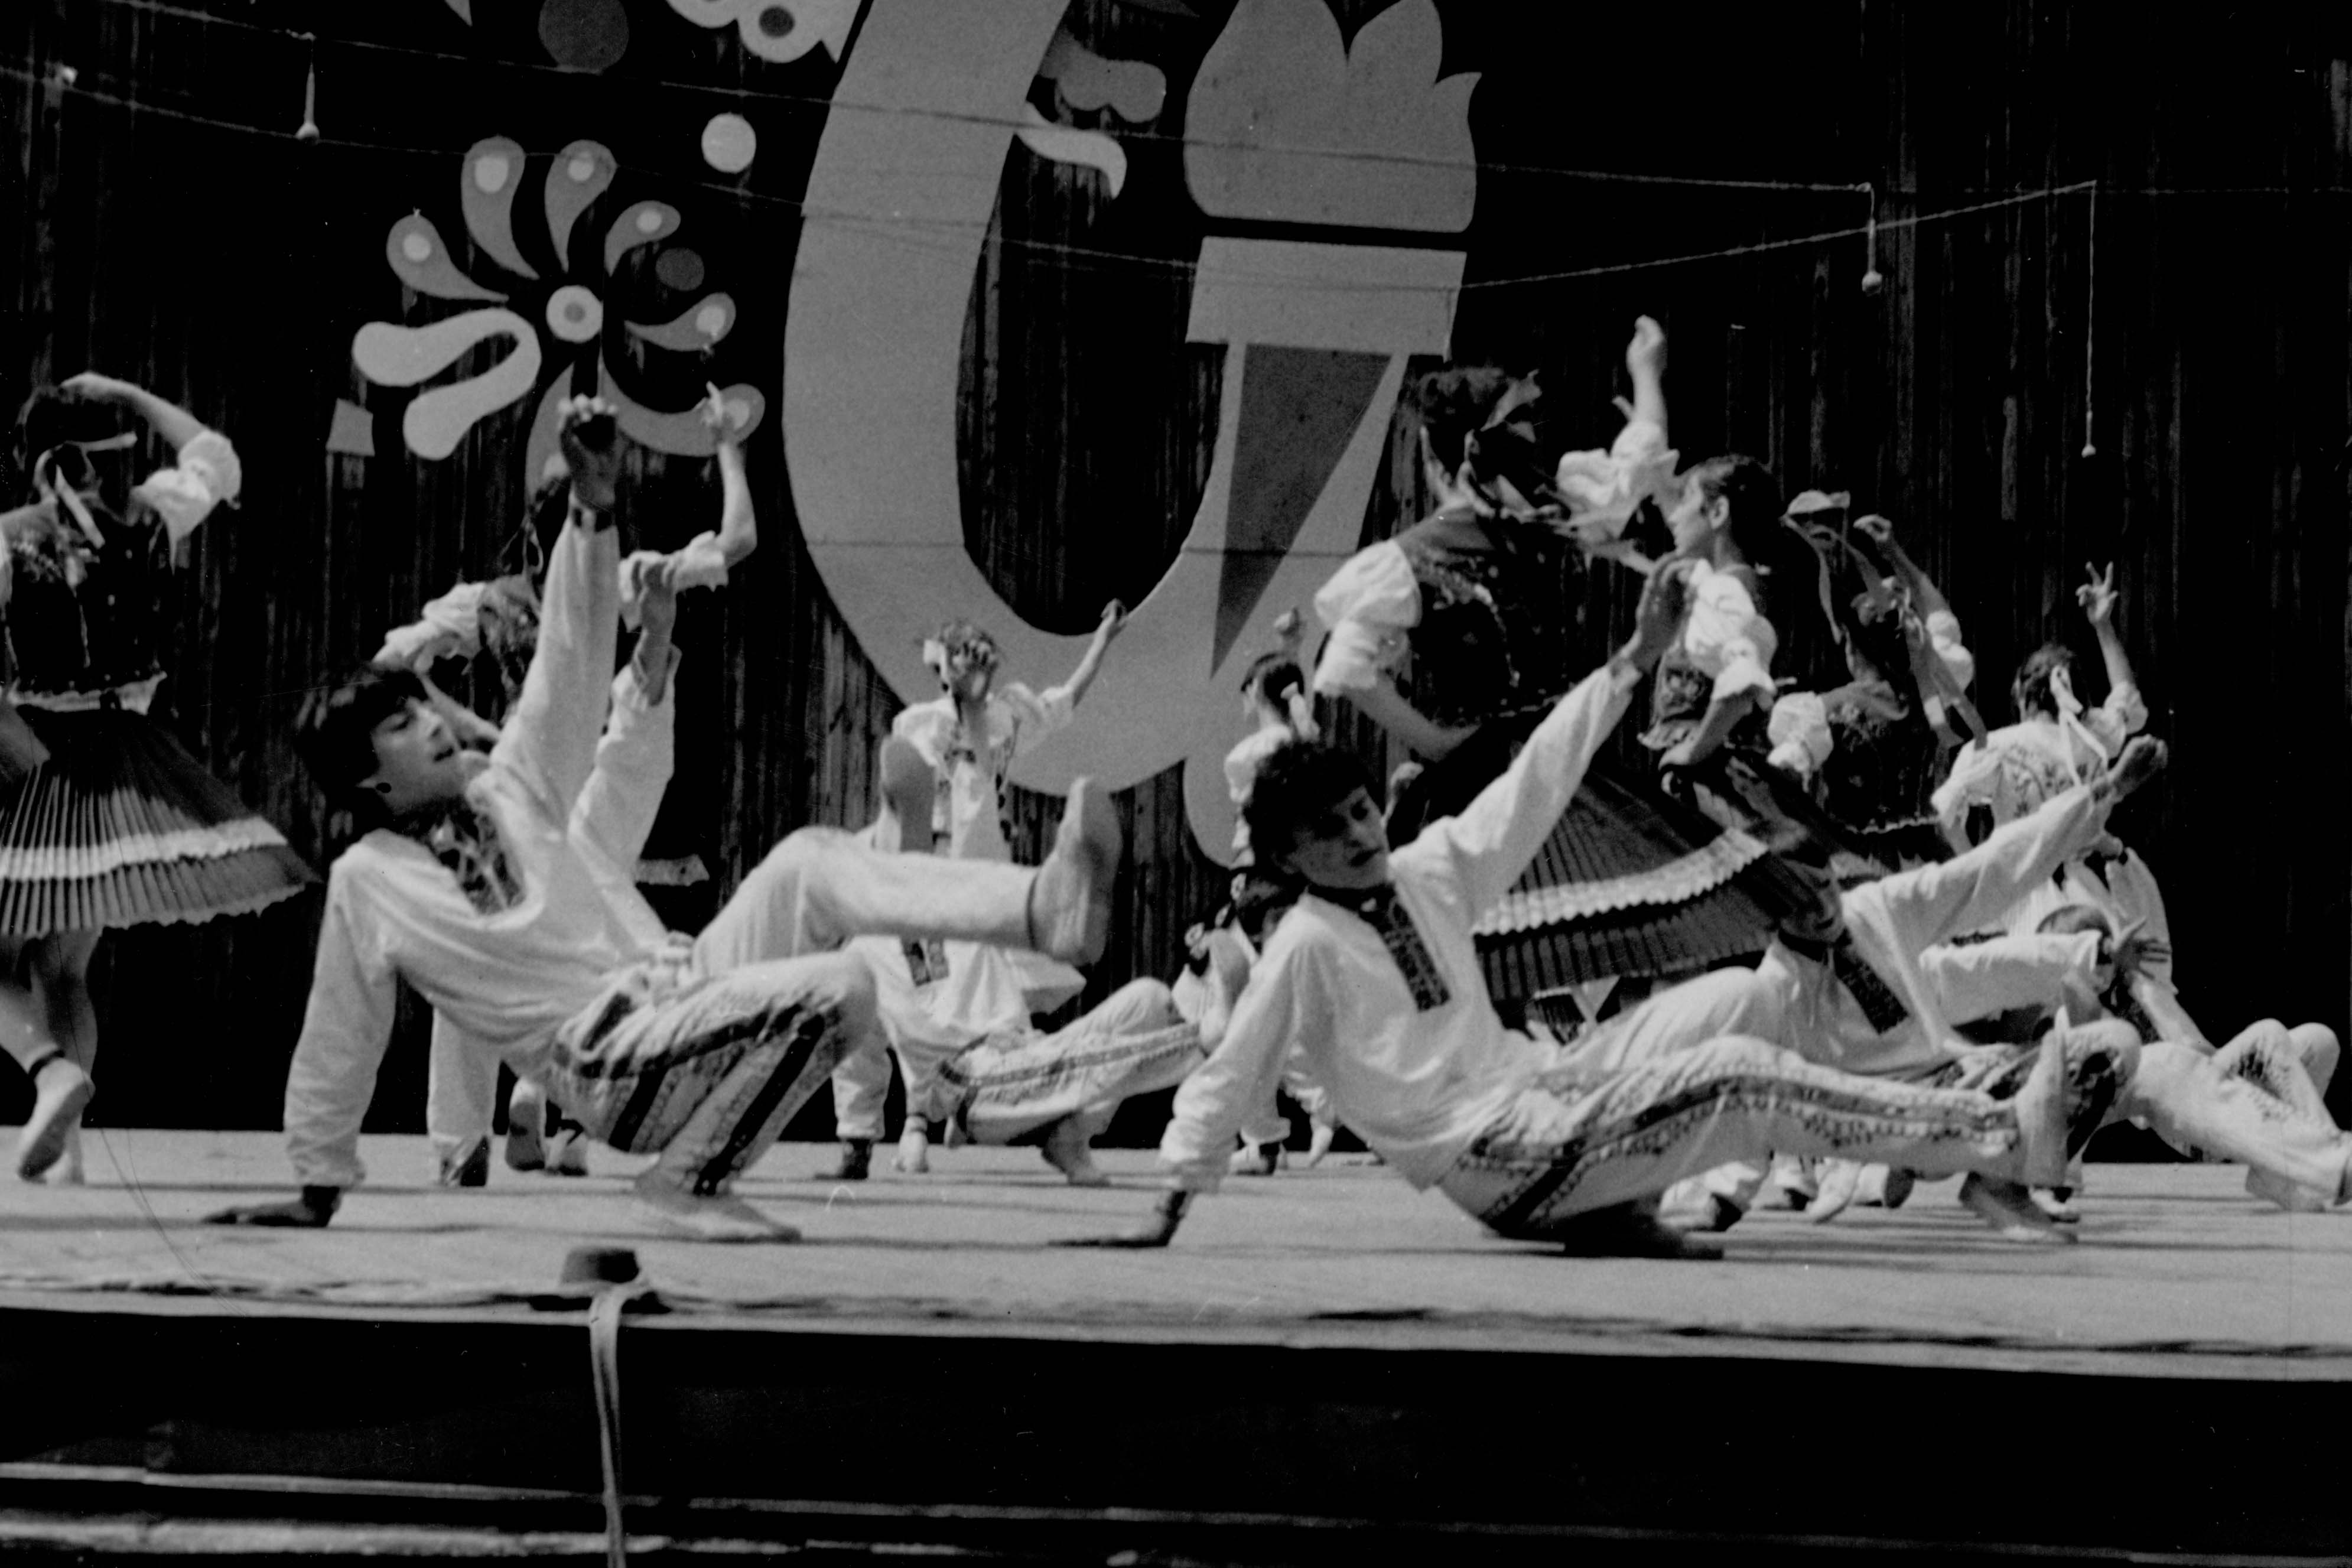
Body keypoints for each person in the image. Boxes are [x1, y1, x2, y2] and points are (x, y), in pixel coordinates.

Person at [207, 400, 1123, 1242]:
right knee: (844, 986)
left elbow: (569, 667)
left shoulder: (509, 788)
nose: (434, 724)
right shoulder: (371, 879)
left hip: (675, 1002)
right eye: (402, 728)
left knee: (809, 860)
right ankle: (688, 1181)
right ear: (367, 778)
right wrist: (316, 1181)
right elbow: (339, 1029)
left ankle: (1038, 908)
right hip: (605, 1062)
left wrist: (595, 507)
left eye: (423, 710)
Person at [1071, 566, 2126, 1258]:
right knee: (1738, 1073)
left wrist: (1630, 660)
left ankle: (1622, 1207)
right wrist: (1168, 1199)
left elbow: (1535, 780)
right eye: (1331, 831)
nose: (1358, 833)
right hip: (1495, 1160)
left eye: (1358, 810)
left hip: (1546, 1094)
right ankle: (1998, 1133)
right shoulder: (1305, 942)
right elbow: (1232, 1067)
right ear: (1289, 857)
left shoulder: (1428, 869)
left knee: (1739, 1000)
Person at [1309, 318, 1802, 1027]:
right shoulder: (1468, 543)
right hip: (1522, 779)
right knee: (1505, 963)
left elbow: (1635, 468)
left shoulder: (1505, 532)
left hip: (1528, 773)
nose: (1533, 440)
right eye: (1520, 426)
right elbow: (1346, 666)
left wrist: (1647, 370)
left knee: (1524, 960)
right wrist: (1434, 741)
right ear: (1482, 446)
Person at [376, 388, 757, 1188]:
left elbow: (391, 665)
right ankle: (543, 1099)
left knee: (483, 945)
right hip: (581, 794)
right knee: (588, 944)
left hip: (518, 792)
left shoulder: (487, 602)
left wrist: (463, 729)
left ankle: (465, 1138)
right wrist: (727, 446)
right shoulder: (612, 579)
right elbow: (736, 541)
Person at [0, 373, 314, 1183]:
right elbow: (216, 457)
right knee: (62, 964)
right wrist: (131, 394)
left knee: (9, 957)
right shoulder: (149, 514)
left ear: (44, 461)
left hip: (39, 754)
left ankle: (49, 1073)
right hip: (125, 761)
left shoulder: (8, 539)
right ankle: (67, 1150)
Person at [824, 736, 1203, 1186]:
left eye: (938, 841)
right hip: (971, 1080)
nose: (933, 852)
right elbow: (856, 1052)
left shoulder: (966, 908)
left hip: (1027, 1052)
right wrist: (858, 1141)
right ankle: (1209, 1040)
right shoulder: (866, 952)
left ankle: (1069, 1136)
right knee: (1121, 1056)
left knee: (1150, 1000)